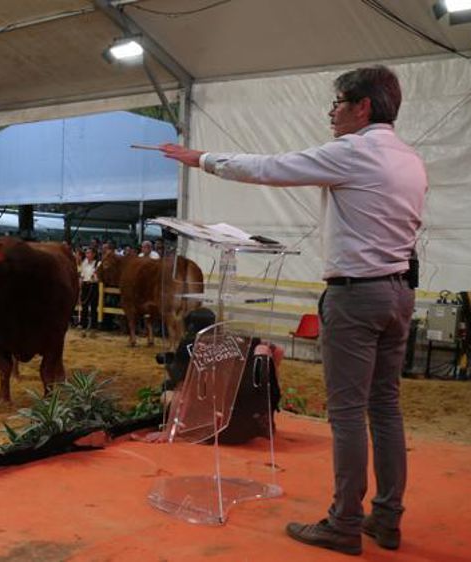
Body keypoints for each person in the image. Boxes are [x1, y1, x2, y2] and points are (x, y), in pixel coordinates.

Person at [161, 65, 425, 556]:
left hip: (356, 293)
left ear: (363, 106)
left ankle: (344, 522)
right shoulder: (410, 159)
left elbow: (271, 168)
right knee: (385, 408)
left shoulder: (354, 152)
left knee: (347, 413)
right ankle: (387, 518)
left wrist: (202, 159)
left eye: (338, 103)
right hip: (398, 291)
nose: (332, 113)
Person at [79, 247, 99, 331]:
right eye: (86, 253)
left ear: (94, 254)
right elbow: (82, 275)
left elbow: (98, 275)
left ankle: (93, 325)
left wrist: (95, 276)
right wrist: (80, 284)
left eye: (89, 253)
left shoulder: (97, 263)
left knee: (93, 305)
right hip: (85, 284)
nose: (87, 255)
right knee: (84, 305)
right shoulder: (84, 262)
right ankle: (83, 323)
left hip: (93, 285)